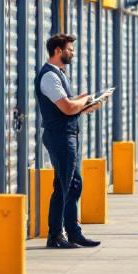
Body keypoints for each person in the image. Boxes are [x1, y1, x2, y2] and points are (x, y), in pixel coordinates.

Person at [36, 34, 101, 249]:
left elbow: (69, 107)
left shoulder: (60, 74)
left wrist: (85, 104)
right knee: (66, 186)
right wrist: (83, 100)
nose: (72, 53)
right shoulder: (49, 77)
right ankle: (59, 235)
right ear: (57, 50)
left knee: (70, 185)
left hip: (68, 134)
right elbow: (66, 107)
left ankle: (69, 233)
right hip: (60, 137)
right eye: (70, 49)